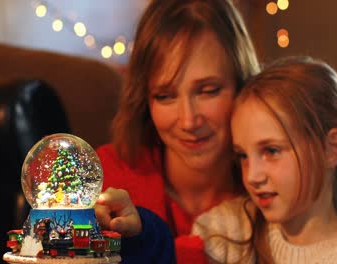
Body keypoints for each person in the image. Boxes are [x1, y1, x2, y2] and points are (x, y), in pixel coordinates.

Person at [94, 0, 259, 262]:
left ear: (242, 85)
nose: (189, 121)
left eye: (208, 91)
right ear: (144, 99)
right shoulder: (102, 179)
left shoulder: (273, 189)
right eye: (165, 96)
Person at [195, 56, 337, 263]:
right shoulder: (227, 231)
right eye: (243, 155)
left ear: (331, 149)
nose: (252, 175)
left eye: (271, 151)